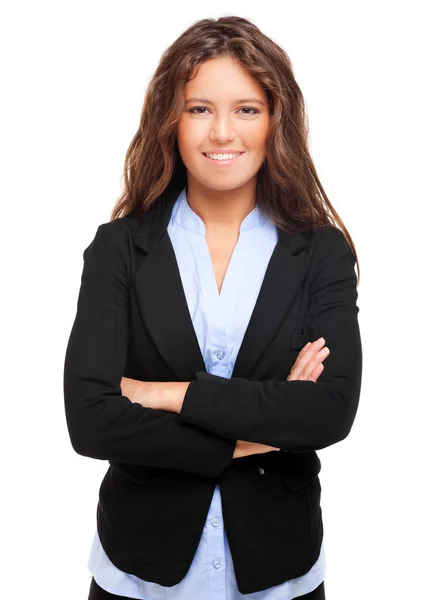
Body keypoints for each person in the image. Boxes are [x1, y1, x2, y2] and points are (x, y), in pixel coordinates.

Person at [63, 15, 362, 600]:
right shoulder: (119, 248)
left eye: (246, 109)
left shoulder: (319, 252)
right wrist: (262, 433)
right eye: (199, 108)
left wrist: (165, 393)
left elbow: (329, 411)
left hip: (280, 572)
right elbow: (89, 419)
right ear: (169, 122)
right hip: (140, 572)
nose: (222, 132)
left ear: (276, 120)